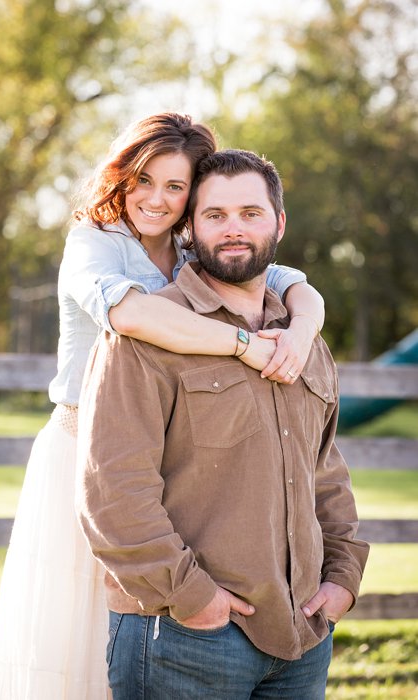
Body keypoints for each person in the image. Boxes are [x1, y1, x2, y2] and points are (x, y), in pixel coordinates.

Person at [0, 113, 326, 699]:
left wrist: (298, 335)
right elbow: (131, 316)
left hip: (166, 448)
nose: (157, 200)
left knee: (150, 609)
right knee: (83, 628)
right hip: (84, 448)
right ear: (122, 177)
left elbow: (293, 283)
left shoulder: (197, 247)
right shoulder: (95, 242)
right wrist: (246, 346)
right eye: (144, 180)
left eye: (176, 187)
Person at [77, 149, 369, 698]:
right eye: (215, 215)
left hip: (305, 635)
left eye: (250, 213)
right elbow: (112, 490)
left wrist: (342, 579)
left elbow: (324, 471)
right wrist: (192, 597)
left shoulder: (303, 338)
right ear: (190, 227)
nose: (234, 229)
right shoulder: (146, 336)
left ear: (279, 222)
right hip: (186, 639)